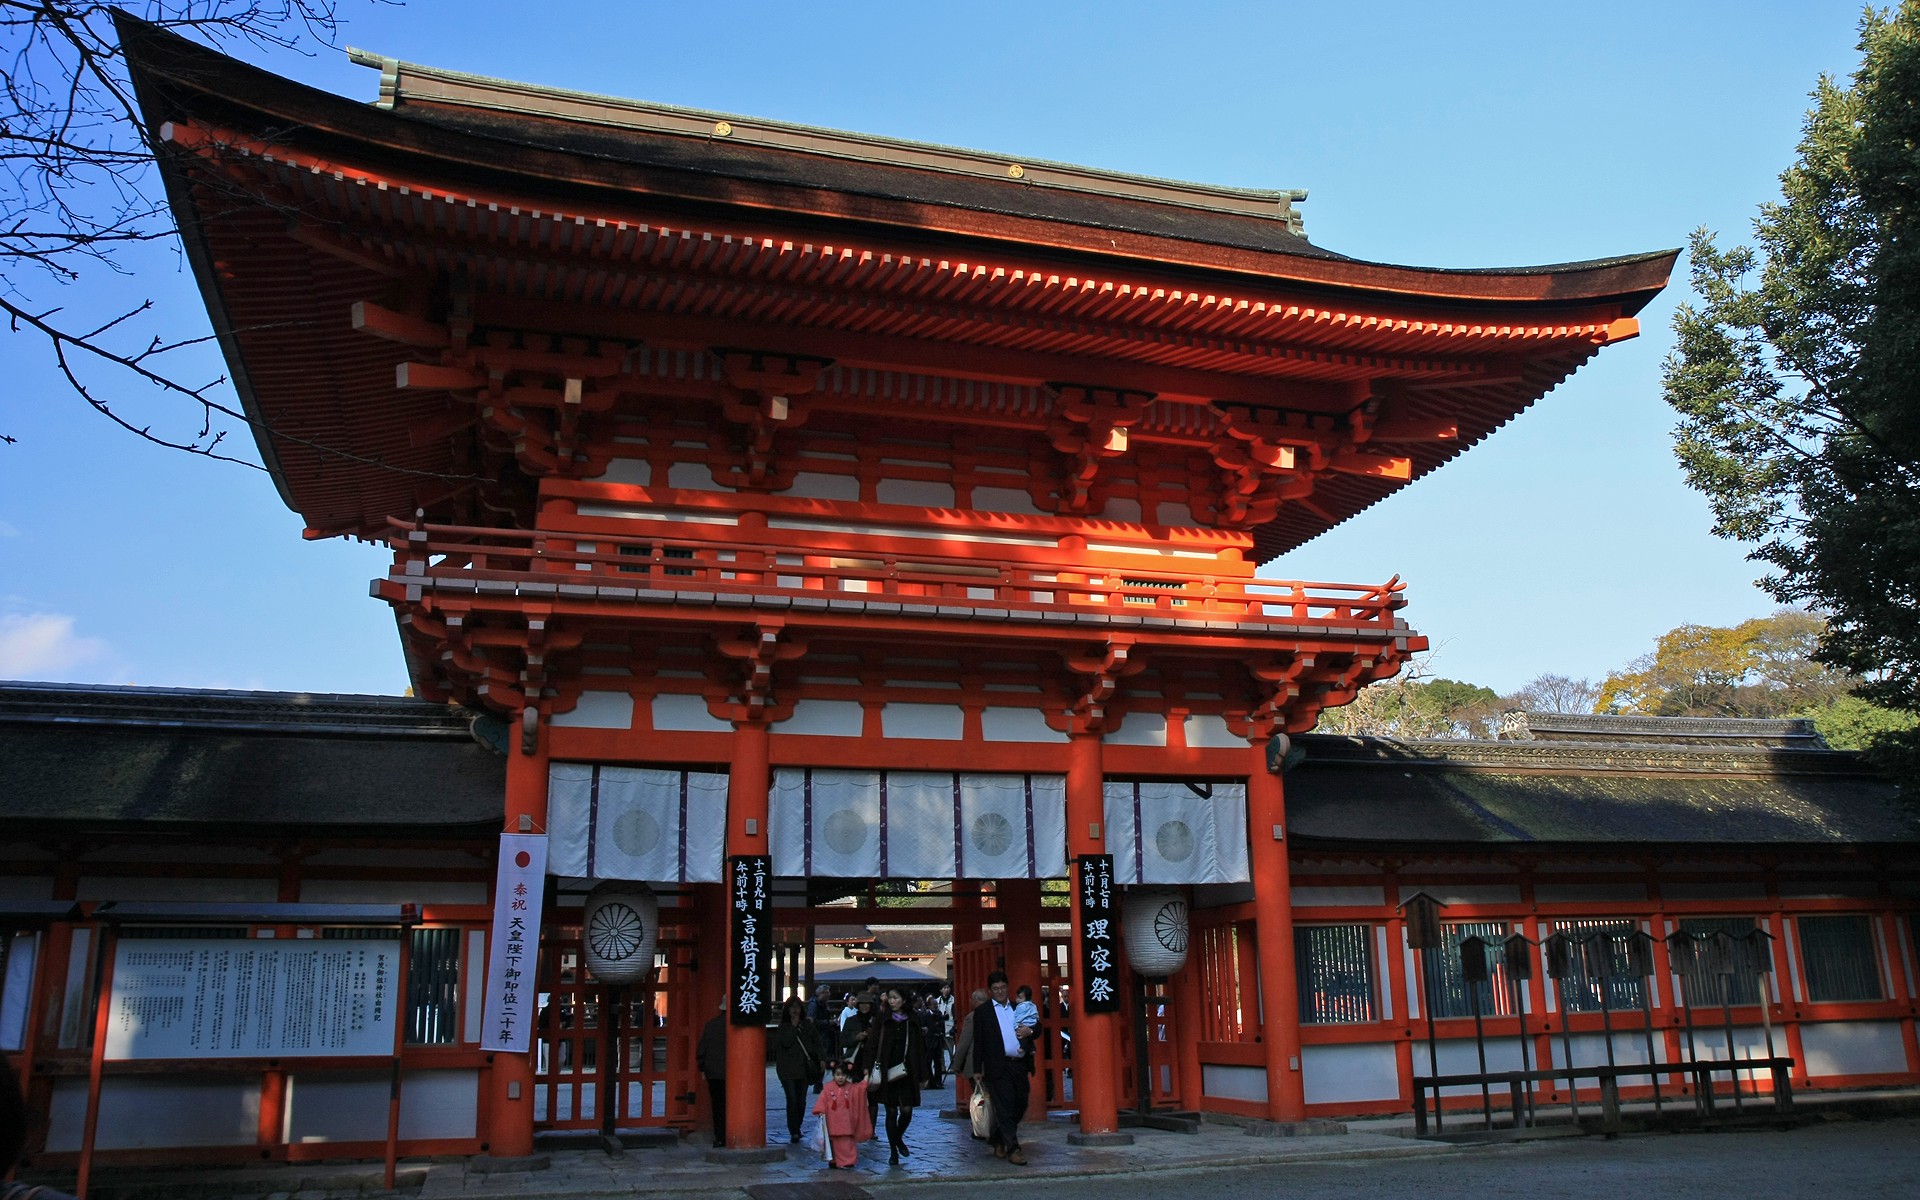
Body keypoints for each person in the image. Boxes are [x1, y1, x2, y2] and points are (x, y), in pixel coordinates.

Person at [967, 970, 1032, 1164]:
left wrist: (1030, 1031)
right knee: (1005, 1107)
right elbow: (978, 1042)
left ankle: (997, 1138)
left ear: (1008, 987)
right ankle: (1013, 1148)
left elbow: (1035, 1027)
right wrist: (977, 1069)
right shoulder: (983, 1012)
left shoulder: (1018, 1007)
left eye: (1003, 987)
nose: (1000, 991)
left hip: (1018, 1064)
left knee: (1021, 1103)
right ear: (990, 991)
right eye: (996, 988)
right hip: (997, 1066)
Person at [869, 985, 923, 1165]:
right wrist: (867, 1067)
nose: (892, 1001)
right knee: (891, 1111)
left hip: (907, 1070)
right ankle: (893, 1151)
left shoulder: (912, 1019)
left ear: (904, 1000)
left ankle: (897, 1138)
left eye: (896, 998)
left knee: (907, 1110)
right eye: (890, 998)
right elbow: (873, 1043)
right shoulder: (882, 1019)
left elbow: (920, 1046)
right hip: (887, 1068)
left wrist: (923, 1070)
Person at [770, 996, 825, 1144]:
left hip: (804, 1068)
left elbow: (817, 1043)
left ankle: (797, 1127)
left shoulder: (808, 1025)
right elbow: (786, 1042)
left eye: (797, 1007)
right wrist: (793, 1027)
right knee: (792, 1099)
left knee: (801, 1100)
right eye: (792, 1007)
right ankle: (793, 1130)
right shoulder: (783, 1027)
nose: (795, 1010)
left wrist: (821, 1058)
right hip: (787, 1069)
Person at [811, 1063, 872, 1169]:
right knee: (833, 1143)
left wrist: (866, 1078)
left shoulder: (851, 1088)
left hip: (847, 1121)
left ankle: (848, 1161)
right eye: (838, 1074)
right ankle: (833, 1160)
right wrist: (820, 1110)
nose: (840, 1077)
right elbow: (822, 1100)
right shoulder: (827, 1088)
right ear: (834, 1075)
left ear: (847, 1076)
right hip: (832, 1120)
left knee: (847, 1142)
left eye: (843, 1075)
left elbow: (860, 1089)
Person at [695, 999, 728, 1147]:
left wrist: (702, 1068)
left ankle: (720, 1136)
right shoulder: (738, 1026)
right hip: (735, 1074)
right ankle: (734, 1133)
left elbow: (702, 1050)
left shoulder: (711, 1025)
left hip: (714, 1072)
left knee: (718, 1105)